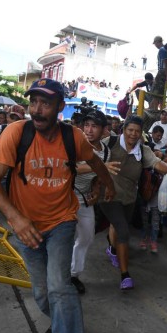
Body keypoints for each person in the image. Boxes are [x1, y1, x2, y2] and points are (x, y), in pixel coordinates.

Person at [0, 78, 115, 333]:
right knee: (43, 292)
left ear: (59, 107)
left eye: (45, 103)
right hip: (25, 225)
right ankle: (61, 323)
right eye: (33, 102)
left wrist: (105, 184)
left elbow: (95, 161)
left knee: (59, 287)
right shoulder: (16, 133)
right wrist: (15, 218)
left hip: (61, 221)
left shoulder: (73, 137)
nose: (37, 110)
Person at [101, 115, 167, 290]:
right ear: (123, 130)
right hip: (108, 194)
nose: (133, 134)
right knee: (123, 231)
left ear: (141, 134)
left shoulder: (143, 150)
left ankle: (112, 247)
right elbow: (93, 157)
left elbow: (156, 163)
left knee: (117, 224)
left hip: (129, 197)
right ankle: (125, 276)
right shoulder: (109, 142)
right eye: (130, 130)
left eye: (137, 131)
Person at [70, 110, 120, 294]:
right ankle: (58, 274)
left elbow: (98, 177)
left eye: (94, 126)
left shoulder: (105, 152)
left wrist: (97, 188)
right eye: (87, 125)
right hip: (65, 197)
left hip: (84, 199)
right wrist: (101, 166)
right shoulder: (76, 145)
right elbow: (73, 169)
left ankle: (73, 275)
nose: (89, 130)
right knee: (62, 238)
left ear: (104, 130)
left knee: (86, 236)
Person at [151, 36, 167, 110]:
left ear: (158, 42)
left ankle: (155, 110)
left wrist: (166, 75)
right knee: (162, 94)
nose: (155, 45)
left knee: (155, 93)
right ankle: (161, 109)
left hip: (163, 72)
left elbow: (165, 62)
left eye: (155, 43)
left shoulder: (162, 49)